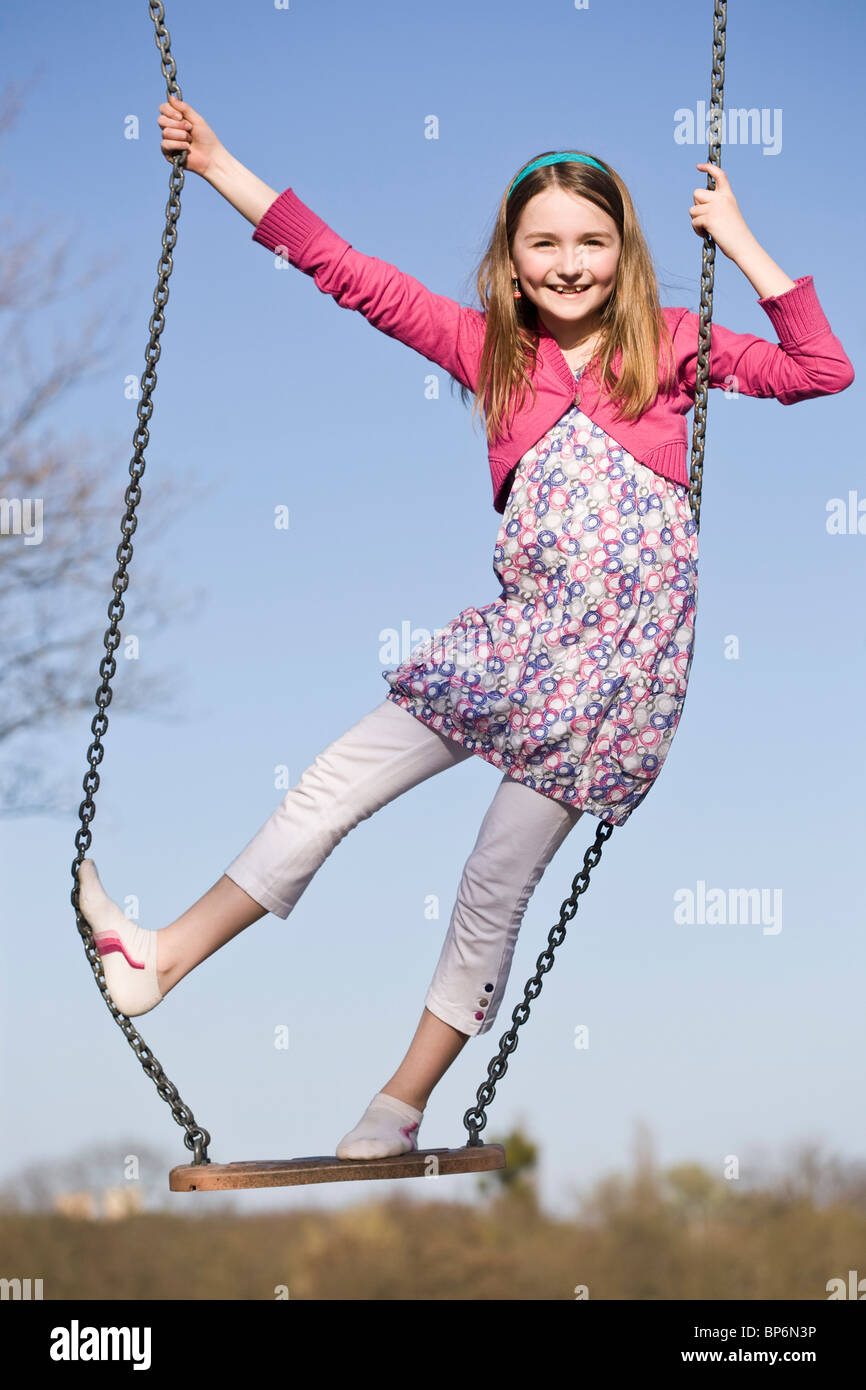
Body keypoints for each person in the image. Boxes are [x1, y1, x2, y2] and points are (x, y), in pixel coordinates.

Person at [76, 95, 855, 1162]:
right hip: (511, 645)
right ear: (511, 254)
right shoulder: (485, 349)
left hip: (609, 682)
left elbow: (819, 369)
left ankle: (396, 1108)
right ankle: (162, 955)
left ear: (623, 251)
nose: (568, 262)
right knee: (329, 783)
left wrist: (737, 242)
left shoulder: (669, 349)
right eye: (544, 242)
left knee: (489, 892)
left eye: (590, 241)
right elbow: (343, 268)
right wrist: (217, 164)